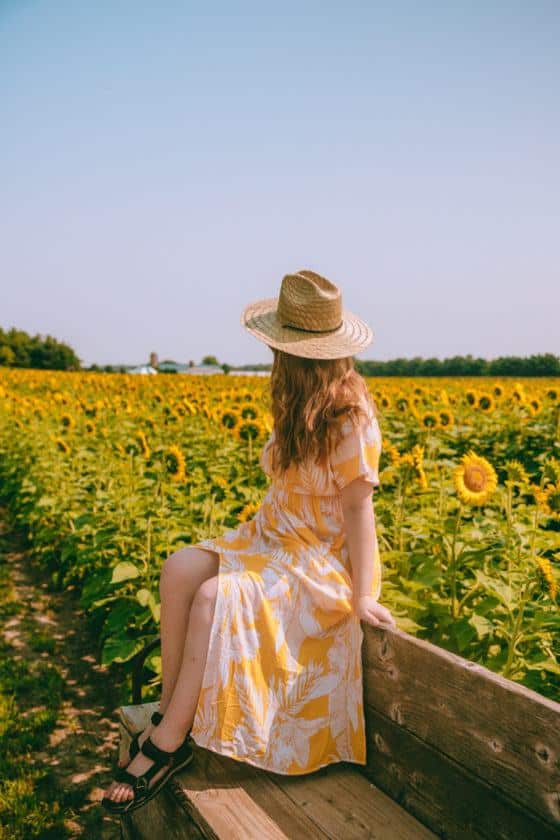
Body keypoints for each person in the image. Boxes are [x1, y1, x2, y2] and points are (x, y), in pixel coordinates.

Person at [101, 269, 396, 814]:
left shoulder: (352, 418)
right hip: (270, 537)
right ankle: (171, 709)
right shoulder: (295, 397)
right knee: (179, 569)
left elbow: (359, 513)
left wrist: (363, 596)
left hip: (312, 564)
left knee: (214, 599)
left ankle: (168, 745)